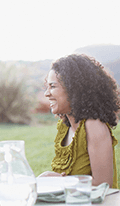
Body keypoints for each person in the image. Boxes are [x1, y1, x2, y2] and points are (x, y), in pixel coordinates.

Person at [41, 54, 120, 188]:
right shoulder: (64, 126)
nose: (46, 93)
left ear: (74, 89)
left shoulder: (93, 126)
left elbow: (103, 185)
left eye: (53, 86)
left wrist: (58, 182)